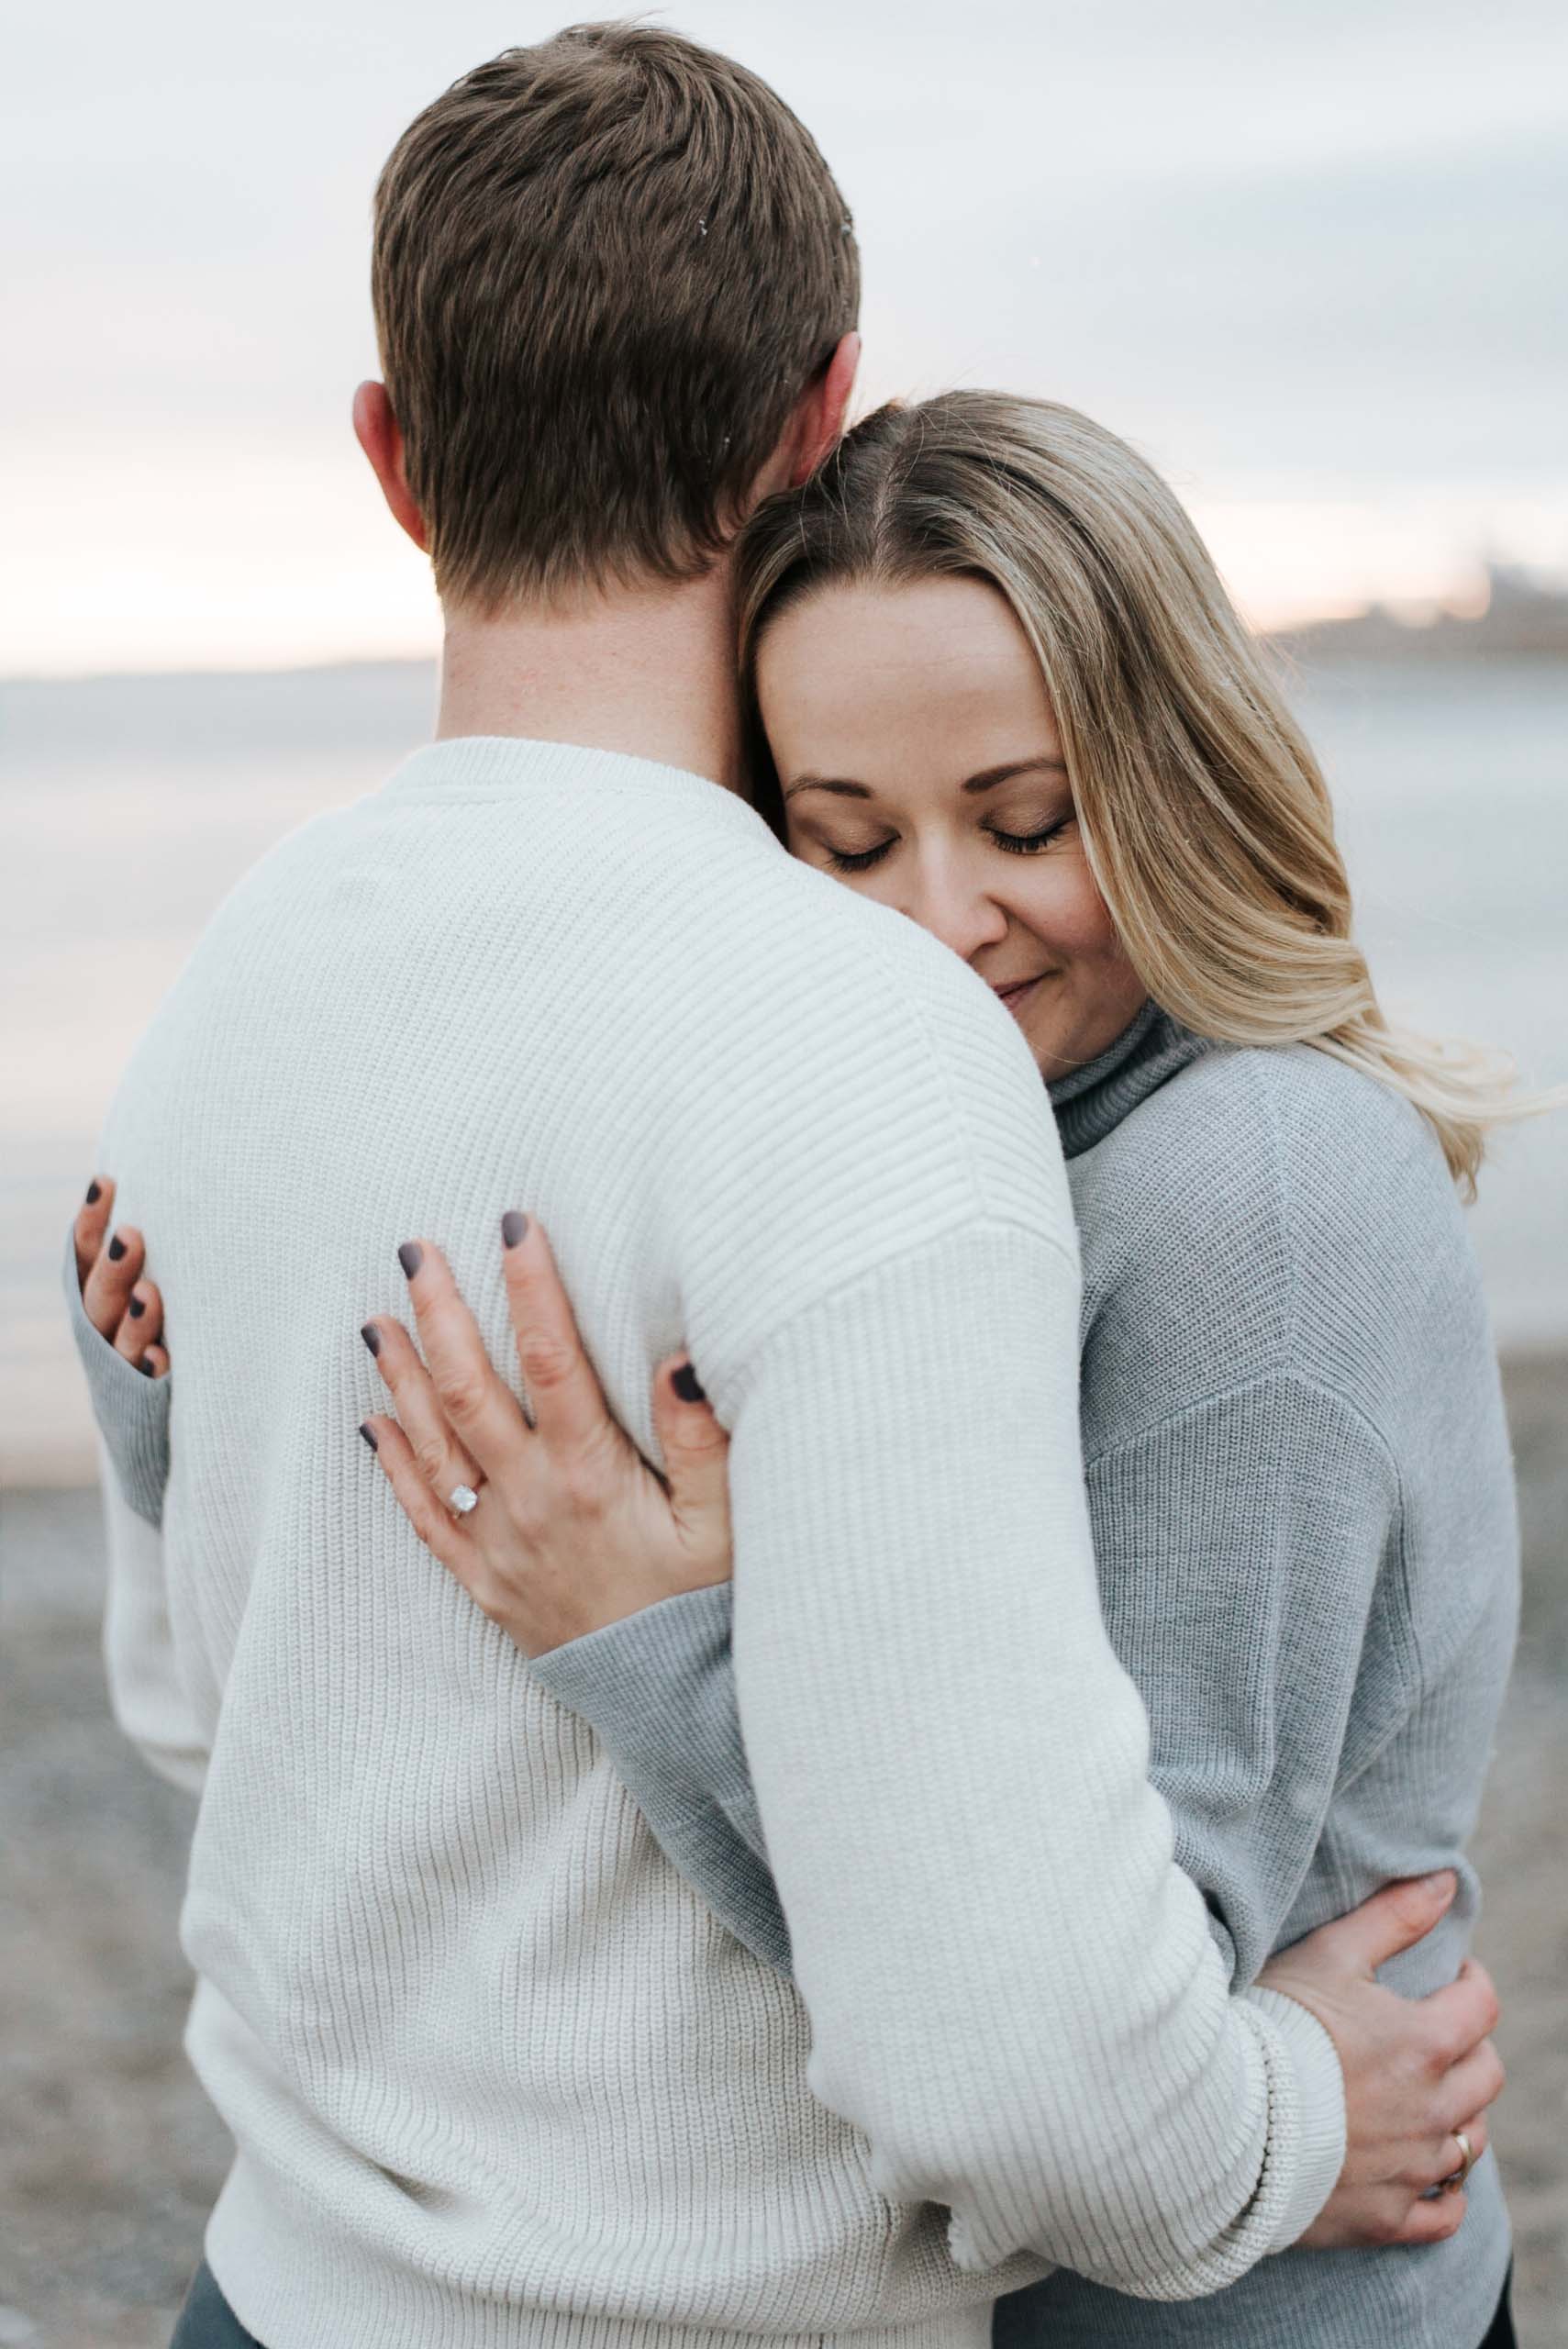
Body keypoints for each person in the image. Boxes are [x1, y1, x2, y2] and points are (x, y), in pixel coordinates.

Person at [66, 30, 1505, 2349]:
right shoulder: (857, 1045)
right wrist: (1300, 2117)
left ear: (392, 459)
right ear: (823, 415)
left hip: (277, 2284)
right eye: (859, 835)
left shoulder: (225, 989)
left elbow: (204, 1723)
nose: (936, 906)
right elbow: (1039, 2063)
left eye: (1017, 820)